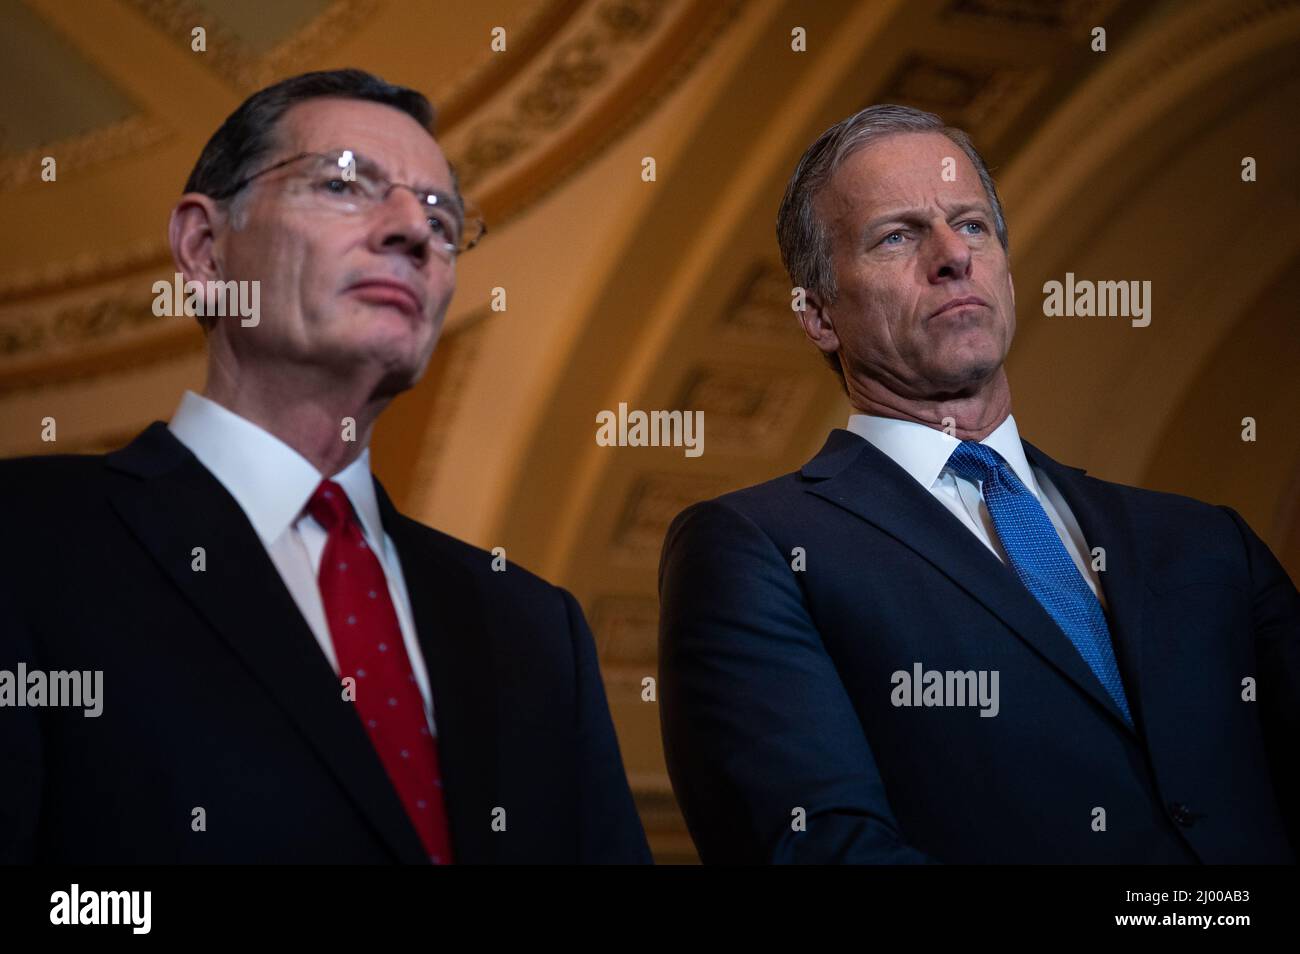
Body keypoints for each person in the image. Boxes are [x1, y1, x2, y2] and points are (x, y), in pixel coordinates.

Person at [0, 69, 649, 864]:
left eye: (444, 218)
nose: (414, 228)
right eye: (344, 182)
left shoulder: (534, 626)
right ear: (205, 248)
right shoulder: (26, 540)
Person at [658, 103, 1298, 864]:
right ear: (819, 315)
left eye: (971, 225)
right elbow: (824, 851)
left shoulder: (1205, 543)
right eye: (897, 236)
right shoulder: (755, 548)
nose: (951, 257)